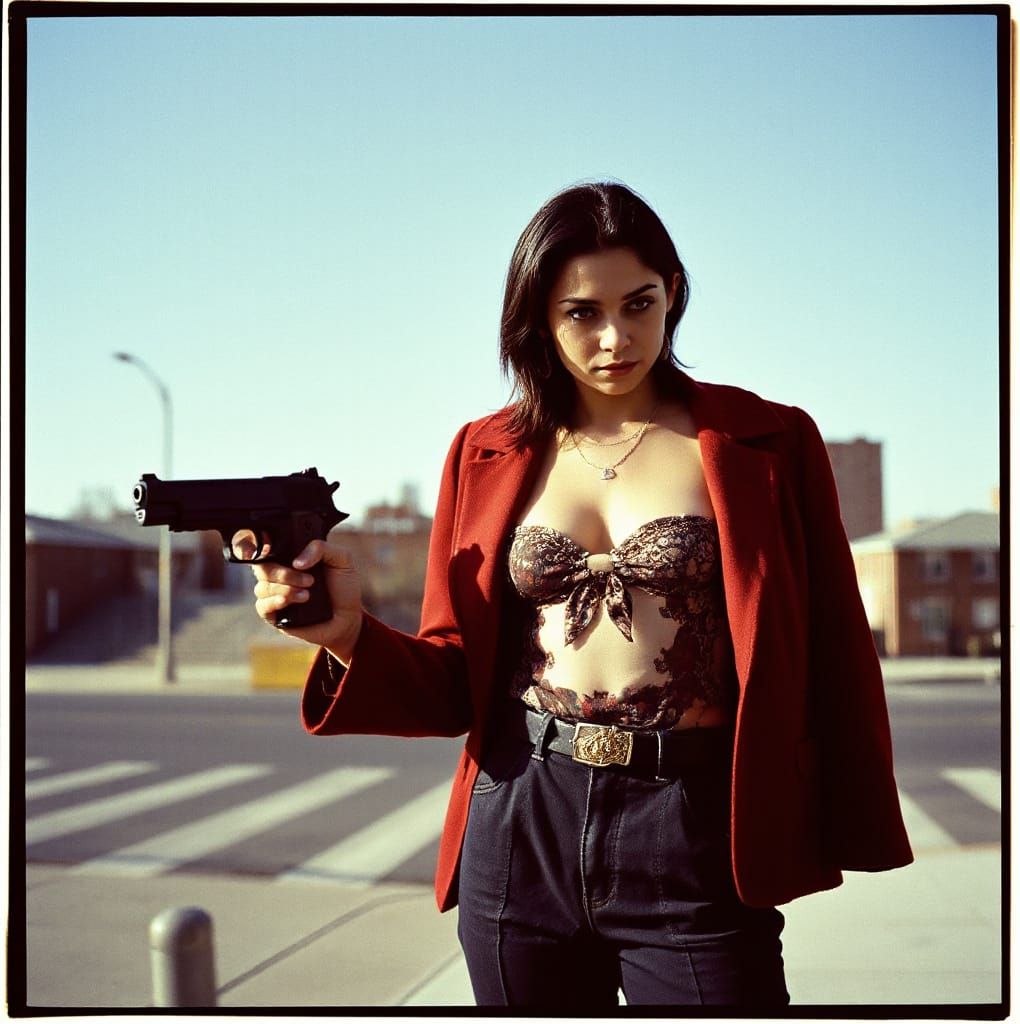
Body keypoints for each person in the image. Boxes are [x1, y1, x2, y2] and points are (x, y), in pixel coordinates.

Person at [251, 181, 913, 1007]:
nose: (614, 337)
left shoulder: (768, 440)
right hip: (522, 815)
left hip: (695, 826)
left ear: (672, 291)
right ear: (539, 318)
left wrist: (850, 821)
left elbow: (837, 647)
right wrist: (346, 634)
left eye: (639, 303)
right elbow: (458, 678)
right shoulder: (482, 451)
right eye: (581, 313)